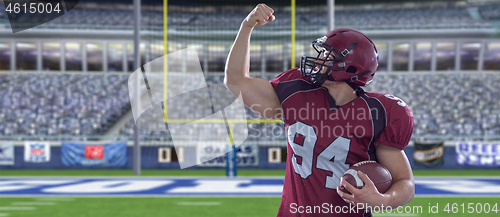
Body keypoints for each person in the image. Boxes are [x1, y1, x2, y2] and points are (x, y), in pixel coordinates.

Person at [224, 4, 415, 217]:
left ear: (350, 66)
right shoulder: (297, 91)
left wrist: (383, 200)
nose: (319, 59)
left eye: (327, 54)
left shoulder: (379, 112)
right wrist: (247, 26)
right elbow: (236, 81)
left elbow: (404, 182)